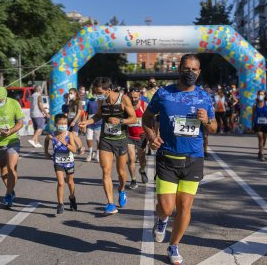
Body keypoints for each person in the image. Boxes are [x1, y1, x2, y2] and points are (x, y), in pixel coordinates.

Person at [142, 54, 217, 264]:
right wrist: (151, 137)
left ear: (199, 72)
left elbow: (214, 127)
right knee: (167, 207)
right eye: (186, 68)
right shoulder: (164, 93)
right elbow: (147, 117)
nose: (190, 72)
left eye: (194, 69)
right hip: (167, 157)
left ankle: (173, 246)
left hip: (193, 158)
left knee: (185, 206)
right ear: (179, 69)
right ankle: (162, 219)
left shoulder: (204, 96)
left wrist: (206, 120)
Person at [79, 77, 137, 214]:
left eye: (99, 92)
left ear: (109, 90)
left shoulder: (123, 99)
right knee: (106, 171)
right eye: (95, 92)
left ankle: (121, 190)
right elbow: (98, 116)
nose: (96, 94)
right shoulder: (101, 100)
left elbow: (133, 118)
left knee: (121, 172)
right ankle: (110, 203)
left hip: (121, 140)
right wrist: (87, 122)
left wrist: (120, 120)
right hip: (106, 140)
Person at [44, 113, 78, 214]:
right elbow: (46, 140)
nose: (63, 125)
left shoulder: (69, 134)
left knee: (70, 182)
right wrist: (46, 152)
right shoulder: (52, 134)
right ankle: (60, 203)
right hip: (58, 161)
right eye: (60, 123)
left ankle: (72, 197)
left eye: (65, 123)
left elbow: (74, 149)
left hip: (69, 161)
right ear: (55, 124)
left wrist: (65, 143)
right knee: (61, 182)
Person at [126, 87, 149, 189]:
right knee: (131, 158)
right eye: (131, 97)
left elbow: (150, 120)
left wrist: (147, 132)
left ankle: (142, 170)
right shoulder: (126, 106)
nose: (133, 99)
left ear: (139, 96)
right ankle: (133, 180)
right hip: (129, 136)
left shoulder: (144, 105)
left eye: (135, 97)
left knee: (142, 159)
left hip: (141, 136)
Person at [252, 90, 267, 161]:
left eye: (262, 94)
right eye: (259, 94)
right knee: (260, 139)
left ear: (264, 96)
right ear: (257, 95)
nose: (260, 96)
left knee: (264, 139)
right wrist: (252, 124)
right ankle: (262, 154)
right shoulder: (255, 105)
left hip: (266, 123)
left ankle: (260, 151)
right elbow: (253, 115)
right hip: (258, 123)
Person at [84, 87, 102, 162]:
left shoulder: (101, 101)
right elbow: (85, 112)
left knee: (98, 140)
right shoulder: (88, 101)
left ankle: (97, 154)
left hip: (99, 123)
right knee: (88, 138)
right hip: (89, 123)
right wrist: (84, 122)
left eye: (96, 93)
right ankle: (90, 152)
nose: (95, 95)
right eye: (93, 93)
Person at [67, 88, 84, 154]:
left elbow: (79, 113)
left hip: (76, 120)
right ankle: (76, 148)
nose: (69, 94)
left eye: (71, 93)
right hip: (69, 120)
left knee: (73, 135)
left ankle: (80, 147)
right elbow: (69, 111)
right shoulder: (71, 101)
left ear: (75, 94)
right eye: (69, 93)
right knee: (70, 135)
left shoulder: (79, 101)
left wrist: (74, 121)